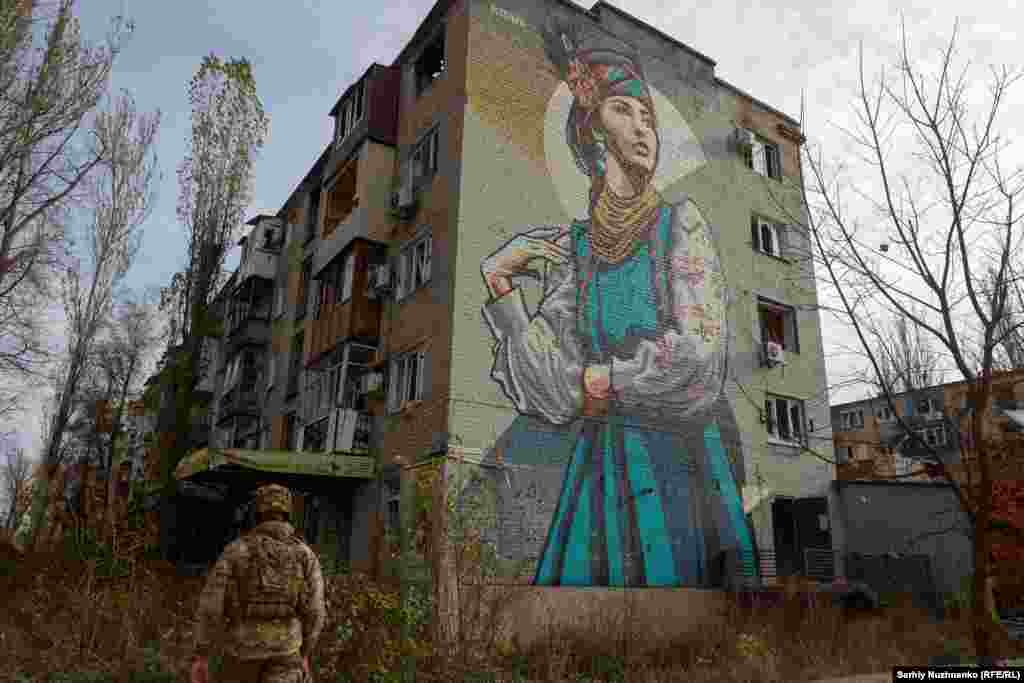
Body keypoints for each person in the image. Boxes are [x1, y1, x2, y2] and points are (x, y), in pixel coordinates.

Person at [479, 27, 755, 587]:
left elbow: (699, 361)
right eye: (624, 111)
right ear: (591, 133)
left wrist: (600, 384)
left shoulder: (681, 224)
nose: (642, 128)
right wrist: (500, 282)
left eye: (648, 117)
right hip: (601, 469)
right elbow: (550, 389)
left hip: (680, 464)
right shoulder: (576, 252)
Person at [190, 483, 326, 683]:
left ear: (257, 513)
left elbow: (211, 607)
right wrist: (304, 653)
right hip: (287, 652)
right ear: (288, 512)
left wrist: (201, 654)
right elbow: (316, 611)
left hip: (241, 652)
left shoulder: (236, 550)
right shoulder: (305, 555)